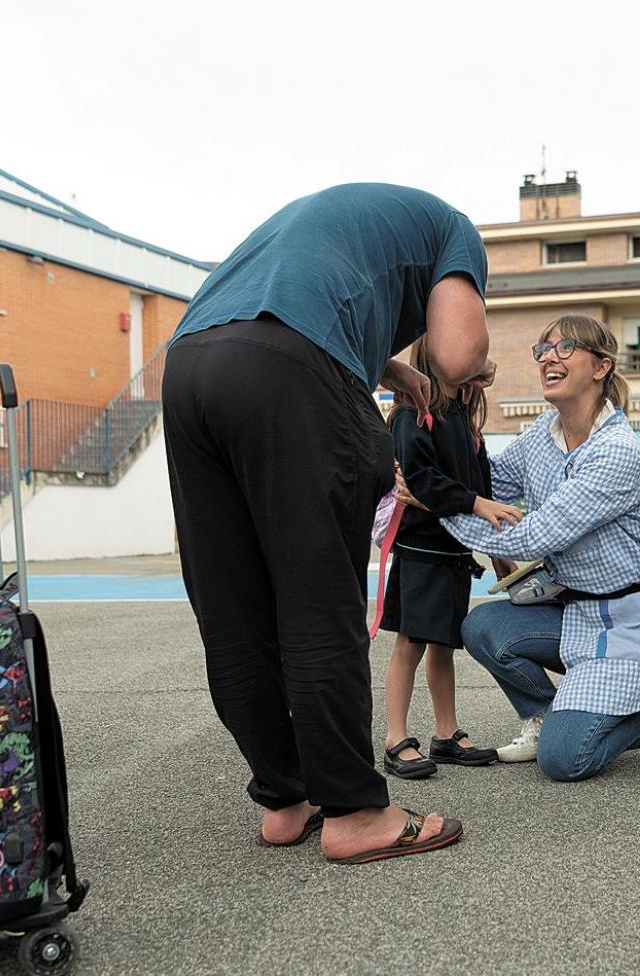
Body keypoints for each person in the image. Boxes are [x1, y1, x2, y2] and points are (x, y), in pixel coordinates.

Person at [164, 182, 488, 864]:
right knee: (318, 603)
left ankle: (286, 799)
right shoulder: (456, 229)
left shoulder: (353, 218)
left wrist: (386, 367)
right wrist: (475, 359)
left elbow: (287, 310)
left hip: (191, 362)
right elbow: (458, 356)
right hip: (287, 370)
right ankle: (357, 811)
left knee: (232, 606)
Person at [447, 315, 640, 783]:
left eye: (564, 348)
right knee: (482, 625)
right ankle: (550, 715)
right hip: (576, 612)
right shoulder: (541, 434)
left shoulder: (616, 451)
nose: (548, 357)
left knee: (565, 761)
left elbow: (535, 536)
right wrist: (458, 396)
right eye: (542, 349)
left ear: (601, 366)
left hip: (636, 623)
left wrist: (441, 508)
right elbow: (487, 481)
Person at [378, 340, 514, 779]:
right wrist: (476, 505)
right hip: (420, 549)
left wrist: (497, 554)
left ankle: (446, 732)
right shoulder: (412, 414)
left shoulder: (466, 420)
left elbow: (483, 490)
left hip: (455, 551)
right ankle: (395, 738)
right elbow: (420, 478)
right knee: (410, 642)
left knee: (443, 644)